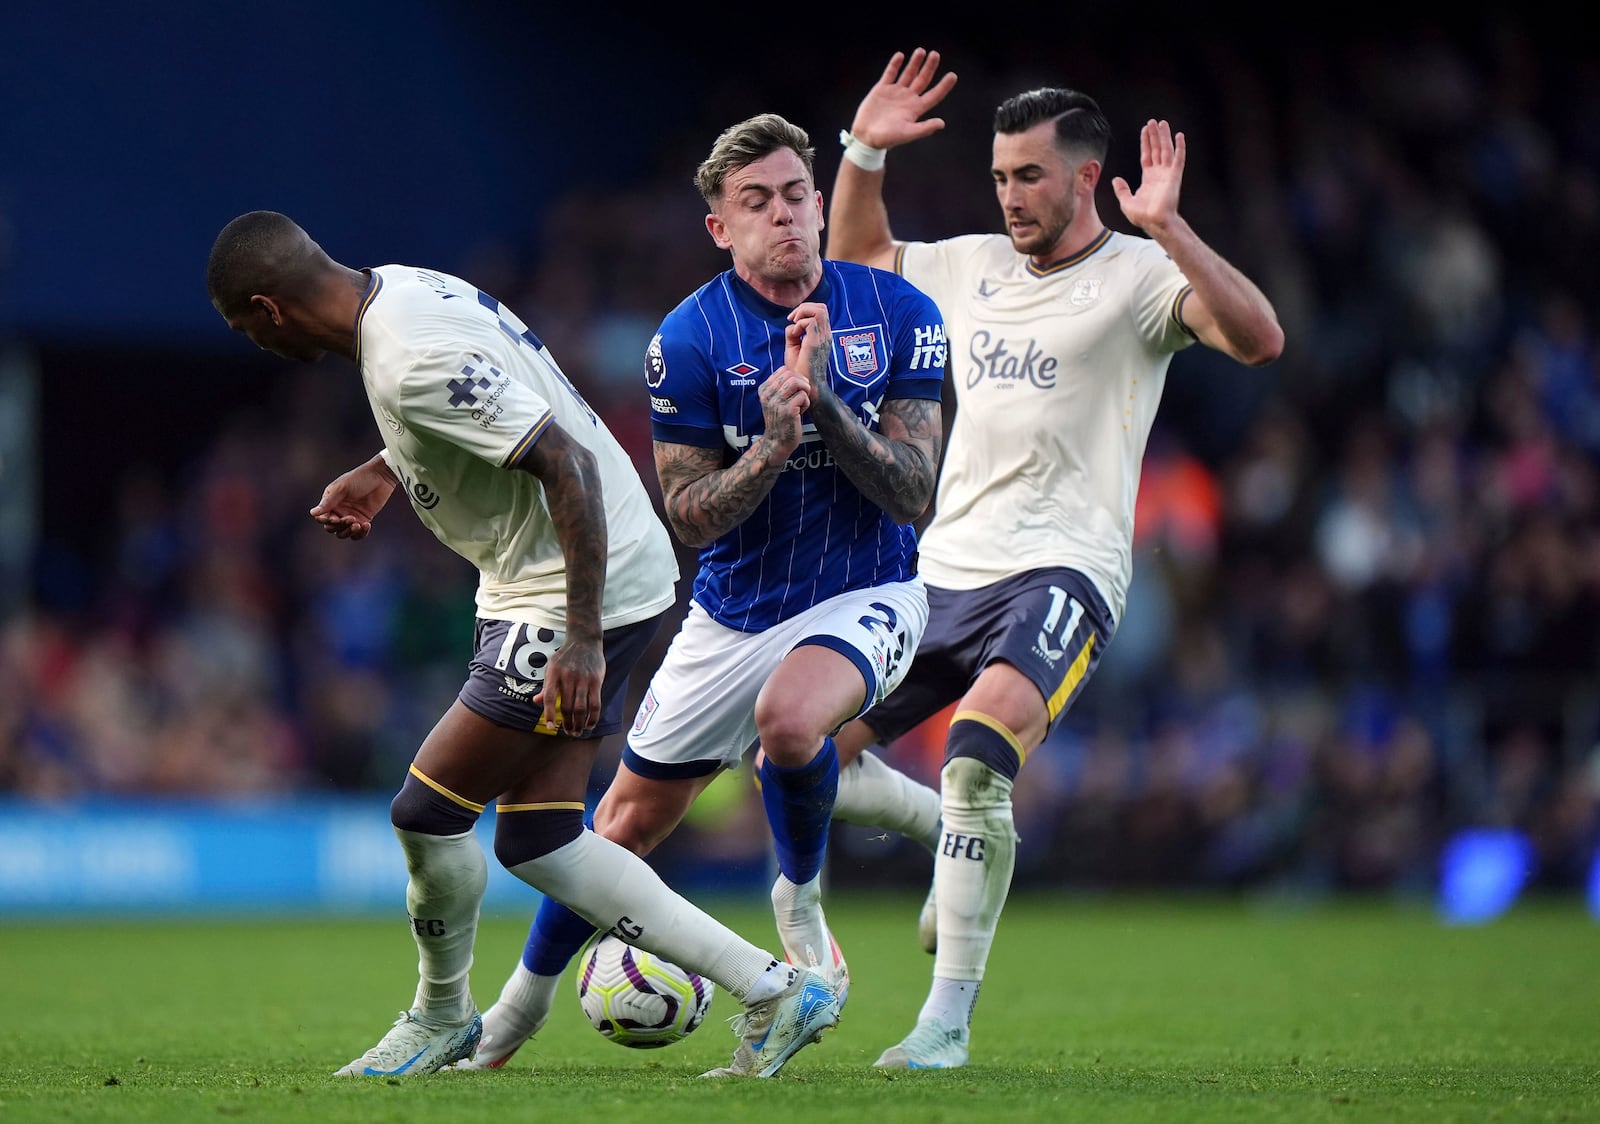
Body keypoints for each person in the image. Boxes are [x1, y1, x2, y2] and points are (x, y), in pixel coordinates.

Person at [204, 210, 843, 1079]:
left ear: (269, 310)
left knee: (427, 813)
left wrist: (579, 636)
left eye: (245, 327)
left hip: (571, 587)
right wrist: (389, 466)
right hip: (593, 570)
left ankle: (441, 1015)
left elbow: (563, 463)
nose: (255, 342)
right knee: (538, 841)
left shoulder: (406, 357)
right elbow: (498, 393)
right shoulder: (403, 285)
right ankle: (775, 989)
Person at [823, 49, 1286, 1068]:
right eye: (999, 176)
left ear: (1086, 177)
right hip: (940, 567)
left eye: (1028, 175)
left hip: (1062, 569)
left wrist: (1168, 226)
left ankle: (943, 1024)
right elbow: (857, 261)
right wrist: (861, 150)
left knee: (980, 751)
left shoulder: (1139, 277)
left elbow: (1259, 338)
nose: (1009, 194)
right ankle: (955, 853)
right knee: (802, 748)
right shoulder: (969, 264)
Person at [460, 112, 946, 1070]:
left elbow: (913, 489)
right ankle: (511, 1017)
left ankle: (799, 912)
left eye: (797, 195)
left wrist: (829, 408)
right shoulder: (684, 340)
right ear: (720, 227)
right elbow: (687, 516)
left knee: (792, 721)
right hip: (731, 612)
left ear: (818, 200)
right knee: (620, 829)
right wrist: (771, 441)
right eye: (756, 203)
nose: (786, 218)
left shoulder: (897, 313)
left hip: (870, 588)